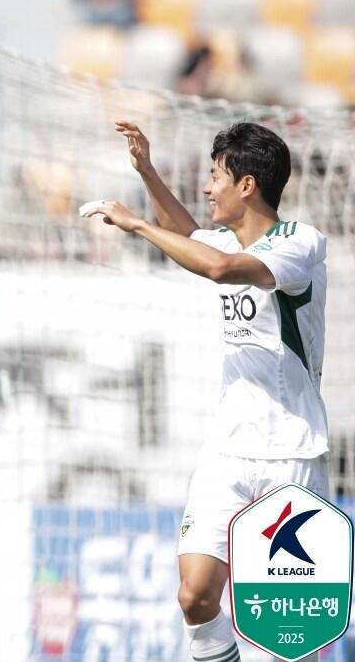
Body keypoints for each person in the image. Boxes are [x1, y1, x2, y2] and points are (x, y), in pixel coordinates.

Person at [83, 121, 328, 662]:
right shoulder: (227, 239)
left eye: (215, 175)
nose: (207, 186)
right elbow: (196, 238)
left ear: (247, 185)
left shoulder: (299, 244)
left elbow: (217, 268)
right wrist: (146, 170)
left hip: (291, 451)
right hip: (226, 451)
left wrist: (139, 225)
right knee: (194, 596)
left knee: (289, 640)